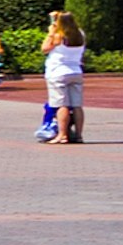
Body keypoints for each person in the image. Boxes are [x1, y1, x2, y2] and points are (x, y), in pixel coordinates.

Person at [42, 10, 88, 145]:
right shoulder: (80, 34)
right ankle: (79, 135)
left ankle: (62, 135)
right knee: (77, 105)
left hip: (58, 72)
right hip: (76, 71)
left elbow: (44, 48)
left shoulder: (58, 36)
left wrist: (50, 32)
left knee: (62, 105)